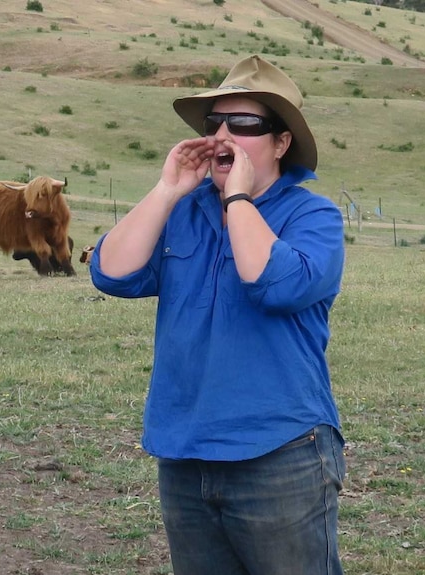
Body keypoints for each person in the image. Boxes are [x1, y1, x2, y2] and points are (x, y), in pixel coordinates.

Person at [90, 55, 346, 575]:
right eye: (215, 124)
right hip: (184, 454)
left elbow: (273, 283)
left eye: (246, 124)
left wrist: (237, 199)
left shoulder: (312, 216)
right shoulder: (182, 209)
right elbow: (111, 273)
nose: (224, 135)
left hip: (280, 452)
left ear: (281, 143)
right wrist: (167, 190)